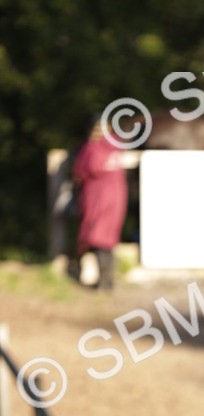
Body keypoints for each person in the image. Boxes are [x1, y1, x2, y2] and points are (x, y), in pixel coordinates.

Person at [71, 115, 129, 291]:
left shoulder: (91, 149)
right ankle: (108, 279)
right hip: (116, 198)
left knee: (97, 237)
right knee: (107, 239)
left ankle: (105, 280)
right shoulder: (117, 147)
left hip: (98, 198)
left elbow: (79, 172)